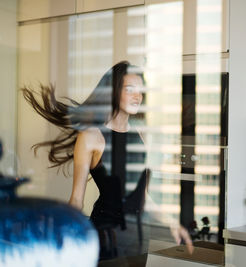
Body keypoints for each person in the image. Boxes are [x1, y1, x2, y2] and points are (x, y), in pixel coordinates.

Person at [21, 60, 193, 259]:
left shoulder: (141, 135)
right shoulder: (91, 137)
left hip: (138, 237)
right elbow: (77, 198)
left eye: (140, 90)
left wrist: (172, 222)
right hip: (105, 235)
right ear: (114, 91)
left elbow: (142, 197)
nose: (137, 96)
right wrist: (65, 234)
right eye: (130, 89)